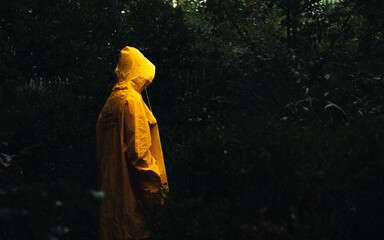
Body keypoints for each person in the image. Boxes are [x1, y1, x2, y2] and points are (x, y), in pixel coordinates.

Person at [96, 46, 168, 240]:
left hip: (110, 209)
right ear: (139, 71)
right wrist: (156, 199)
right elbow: (139, 156)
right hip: (133, 208)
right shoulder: (131, 101)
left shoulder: (108, 105)